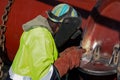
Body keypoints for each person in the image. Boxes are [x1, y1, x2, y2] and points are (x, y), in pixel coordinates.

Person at [8, 3, 85, 80]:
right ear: (61, 25)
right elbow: (45, 77)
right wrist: (68, 60)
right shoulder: (40, 36)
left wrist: (62, 56)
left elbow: (41, 60)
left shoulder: (42, 32)